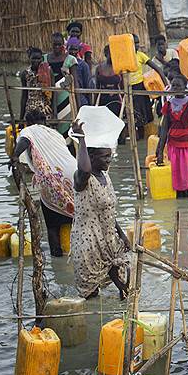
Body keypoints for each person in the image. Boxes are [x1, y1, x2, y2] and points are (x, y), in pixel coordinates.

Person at [70, 118, 131, 299]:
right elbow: (85, 169)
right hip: (88, 244)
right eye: (105, 156)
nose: (109, 160)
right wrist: (81, 139)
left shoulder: (105, 176)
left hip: (109, 239)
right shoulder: (82, 179)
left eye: (110, 155)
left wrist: (122, 235)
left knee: (126, 287)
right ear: (92, 157)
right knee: (90, 295)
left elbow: (109, 212)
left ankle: (124, 319)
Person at [11, 110, 76, 257]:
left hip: (53, 177)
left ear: (27, 123)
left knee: (52, 222)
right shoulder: (55, 133)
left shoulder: (28, 131)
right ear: (44, 121)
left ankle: (56, 254)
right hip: (73, 172)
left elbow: (24, 141)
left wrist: (14, 156)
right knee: (77, 212)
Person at [155, 75, 188, 198]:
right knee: (177, 175)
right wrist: (160, 151)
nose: (175, 88)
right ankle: (181, 200)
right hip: (174, 145)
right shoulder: (168, 105)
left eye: (178, 86)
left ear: (185, 88)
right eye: (173, 86)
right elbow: (164, 129)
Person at [129, 33, 167, 139]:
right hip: (128, 88)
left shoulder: (140, 55)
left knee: (143, 114)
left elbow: (157, 69)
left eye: (137, 43)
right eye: (133, 43)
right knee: (132, 115)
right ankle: (135, 137)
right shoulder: (125, 57)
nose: (136, 46)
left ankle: (142, 139)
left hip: (140, 87)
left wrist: (166, 85)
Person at [46, 32, 79, 135]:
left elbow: (74, 82)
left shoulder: (70, 59)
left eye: (59, 44)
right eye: (54, 44)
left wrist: (78, 107)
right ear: (51, 44)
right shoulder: (44, 59)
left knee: (67, 129)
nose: (57, 47)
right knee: (51, 131)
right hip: (49, 99)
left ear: (63, 45)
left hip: (66, 98)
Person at [19, 47, 52, 120]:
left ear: (42, 58)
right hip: (30, 111)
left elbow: (53, 93)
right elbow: (24, 96)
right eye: (33, 58)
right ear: (29, 58)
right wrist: (21, 118)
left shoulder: (48, 71)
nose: (36, 61)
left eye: (38, 58)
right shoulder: (25, 74)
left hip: (45, 110)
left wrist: (55, 114)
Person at [67, 36, 93, 107]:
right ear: (67, 49)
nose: (73, 52)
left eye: (75, 49)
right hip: (67, 99)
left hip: (81, 99)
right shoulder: (64, 63)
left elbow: (87, 85)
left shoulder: (83, 65)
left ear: (79, 50)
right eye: (71, 49)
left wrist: (90, 106)